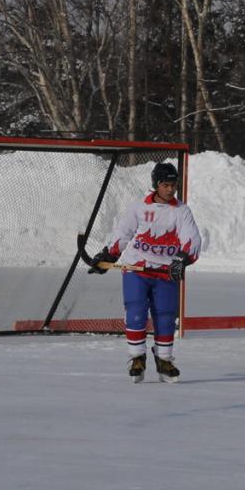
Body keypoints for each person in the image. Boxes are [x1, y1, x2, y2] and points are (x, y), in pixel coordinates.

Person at [89, 162, 202, 383]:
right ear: (156, 185)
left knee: (166, 316)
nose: (171, 190)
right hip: (136, 269)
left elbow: (193, 239)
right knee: (136, 311)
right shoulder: (139, 208)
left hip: (166, 272)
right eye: (166, 185)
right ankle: (137, 357)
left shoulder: (181, 211)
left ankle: (164, 359)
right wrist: (108, 256)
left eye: (174, 185)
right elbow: (123, 234)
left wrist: (183, 258)